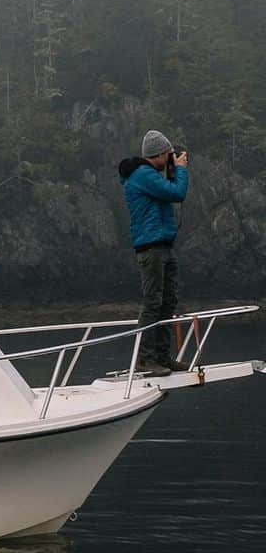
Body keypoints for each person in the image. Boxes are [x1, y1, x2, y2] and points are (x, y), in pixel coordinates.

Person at [118, 129, 189, 377]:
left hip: (163, 246)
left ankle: (161, 356)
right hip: (151, 247)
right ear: (157, 155)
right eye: (168, 155)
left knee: (168, 302)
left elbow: (168, 189)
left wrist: (173, 169)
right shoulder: (141, 175)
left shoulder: (150, 175)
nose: (171, 158)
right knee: (152, 303)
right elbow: (177, 193)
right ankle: (145, 359)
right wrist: (180, 169)